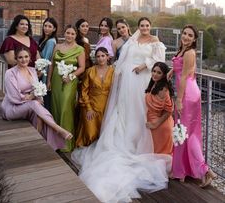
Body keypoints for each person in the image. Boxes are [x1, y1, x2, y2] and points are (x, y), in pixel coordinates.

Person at [72, 17, 171, 203]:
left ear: (150, 27)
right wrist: (114, 73)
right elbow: (123, 58)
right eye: (141, 25)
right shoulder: (132, 40)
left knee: (141, 110)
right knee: (126, 110)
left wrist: (144, 65)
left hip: (143, 78)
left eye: (147, 25)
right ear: (138, 27)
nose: (144, 28)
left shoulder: (156, 42)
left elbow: (159, 62)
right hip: (128, 79)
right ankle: (125, 140)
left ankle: (138, 143)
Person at [168, 24, 217, 187]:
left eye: (190, 35)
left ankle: (205, 170)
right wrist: (170, 71)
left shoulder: (189, 52)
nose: (186, 37)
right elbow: (178, 69)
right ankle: (181, 170)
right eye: (184, 33)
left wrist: (179, 99)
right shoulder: (182, 50)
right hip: (190, 93)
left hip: (187, 95)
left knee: (184, 133)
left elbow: (183, 77)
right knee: (184, 133)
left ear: (195, 39)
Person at [0, 47, 73, 151]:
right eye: (20, 57)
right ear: (16, 58)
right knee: (35, 105)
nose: (23, 59)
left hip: (28, 105)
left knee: (39, 115)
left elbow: (37, 89)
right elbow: (14, 97)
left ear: (30, 58)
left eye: (26, 57)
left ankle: (39, 143)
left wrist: (38, 96)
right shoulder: (10, 73)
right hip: (12, 107)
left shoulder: (32, 70)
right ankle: (58, 129)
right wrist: (33, 96)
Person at [47, 25, 85, 152]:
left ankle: (66, 143)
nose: (70, 36)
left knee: (65, 109)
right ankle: (55, 141)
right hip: (56, 81)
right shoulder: (57, 46)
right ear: (64, 33)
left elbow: (82, 67)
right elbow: (52, 64)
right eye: (68, 33)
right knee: (56, 108)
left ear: (76, 35)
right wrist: (48, 81)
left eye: (72, 34)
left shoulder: (79, 49)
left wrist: (71, 76)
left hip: (70, 82)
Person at [76, 47, 114, 147]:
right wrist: (88, 108)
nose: (100, 59)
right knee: (90, 134)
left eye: (103, 56)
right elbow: (84, 91)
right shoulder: (90, 71)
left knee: (104, 133)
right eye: (98, 56)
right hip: (91, 105)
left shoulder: (113, 71)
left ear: (108, 57)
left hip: (107, 107)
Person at [145, 62, 174, 155]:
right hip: (153, 122)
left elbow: (169, 110)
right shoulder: (155, 84)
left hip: (160, 126)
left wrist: (155, 124)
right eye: (154, 71)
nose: (155, 74)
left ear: (164, 75)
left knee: (160, 156)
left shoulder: (163, 90)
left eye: (159, 73)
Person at [38, 17, 58, 111]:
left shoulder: (51, 42)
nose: (46, 28)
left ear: (54, 29)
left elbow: (46, 61)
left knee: (44, 102)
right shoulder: (43, 39)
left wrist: (46, 81)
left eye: (50, 26)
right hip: (40, 72)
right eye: (45, 26)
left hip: (43, 75)